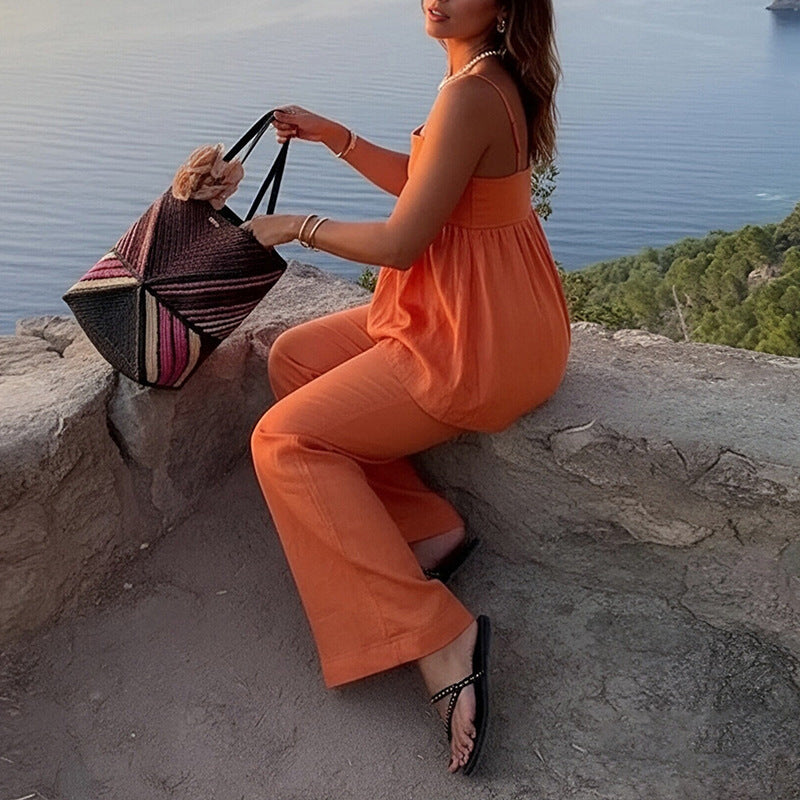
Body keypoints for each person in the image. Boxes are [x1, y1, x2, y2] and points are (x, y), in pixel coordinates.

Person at [241, 0, 569, 776]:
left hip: (474, 341)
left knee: (282, 440)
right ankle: (427, 532)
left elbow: (402, 240)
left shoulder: (471, 91)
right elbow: (430, 187)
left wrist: (291, 226)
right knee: (295, 359)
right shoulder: (483, 74)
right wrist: (335, 135)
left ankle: (438, 635)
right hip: (487, 312)